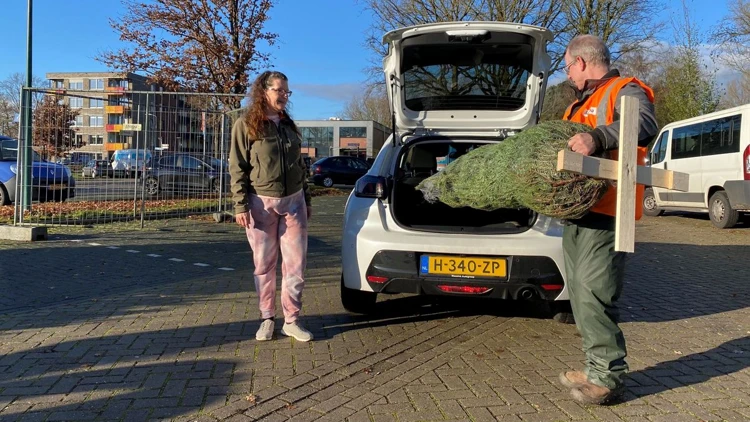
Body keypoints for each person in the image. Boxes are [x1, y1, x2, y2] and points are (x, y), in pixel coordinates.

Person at [557, 35, 658, 404]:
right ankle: (595, 364)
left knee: (595, 293)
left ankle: (608, 378)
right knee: (581, 295)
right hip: (578, 215)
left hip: (609, 212)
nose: (568, 74)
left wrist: (597, 138)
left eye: (567, 66)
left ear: (581, 62)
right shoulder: (577, 105)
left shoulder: (625, 90)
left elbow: (644, 124)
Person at [229, 70, 313, 342]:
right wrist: (240, 205)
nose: (284, 96)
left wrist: (306, 199)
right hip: (260, 204)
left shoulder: (289, 125)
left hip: (294, 202)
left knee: (295, 266)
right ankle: (267, 318)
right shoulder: (246, 124)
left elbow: (300, 166)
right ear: (263, 91)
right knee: (264, 265)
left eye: (287, 91)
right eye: (279, 90)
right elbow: (238, 167)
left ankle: (292, 320)